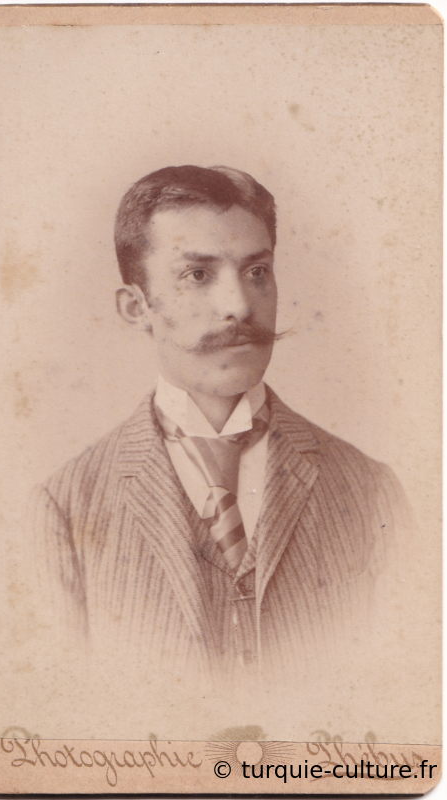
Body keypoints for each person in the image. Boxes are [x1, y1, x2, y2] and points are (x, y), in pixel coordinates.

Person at [31, 165, 410, 687]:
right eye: (198, 275)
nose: (239, 305)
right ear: (136, 307)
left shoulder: (372, 493)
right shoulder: (65, 508)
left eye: (257, 272)